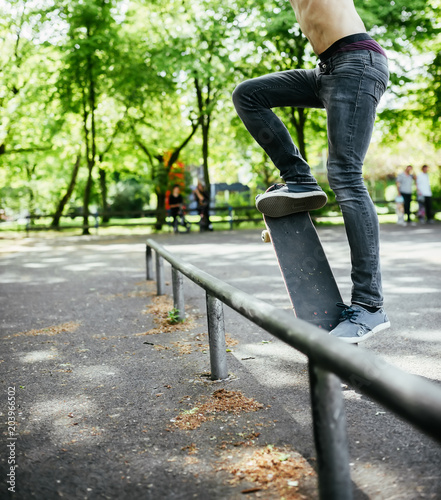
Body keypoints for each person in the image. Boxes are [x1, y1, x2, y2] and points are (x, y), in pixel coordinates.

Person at [232, 0, 390, 343]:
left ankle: (370, 305)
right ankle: (299, 179)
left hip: (358, 61)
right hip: (327, 70)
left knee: (346, 175)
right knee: (249, 94)